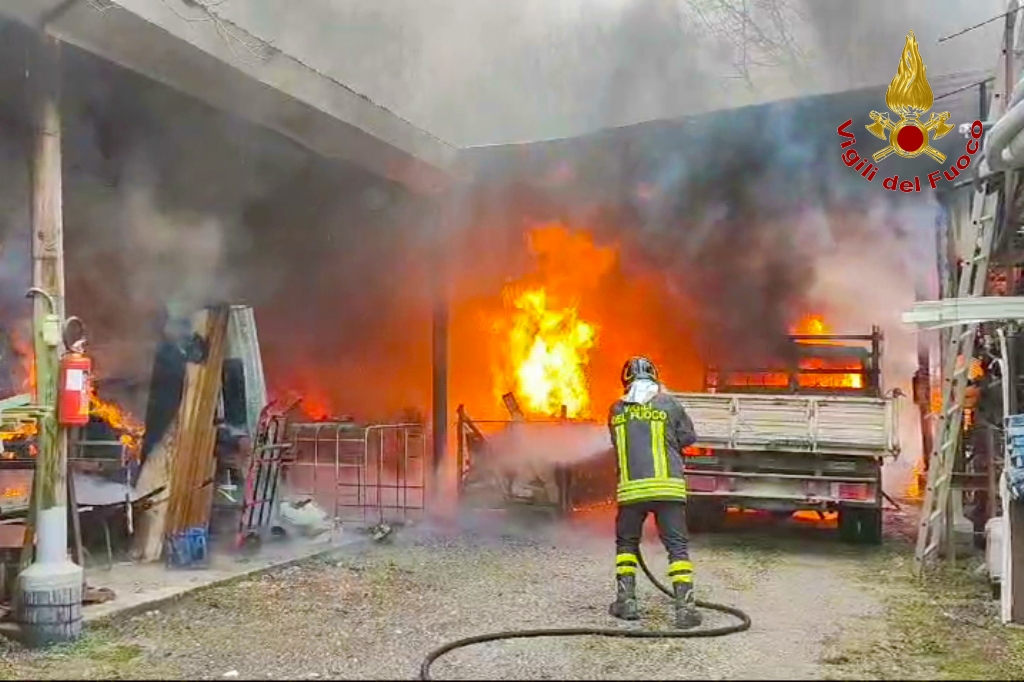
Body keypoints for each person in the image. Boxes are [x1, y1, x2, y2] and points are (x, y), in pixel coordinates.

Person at [607, 355, 701, 629]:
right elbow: (689, 437)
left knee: (626, 546)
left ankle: (627, 602)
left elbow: (617, 441)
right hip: (668, 489)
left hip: (632, 491)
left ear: (626, 380)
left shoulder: (616, 409)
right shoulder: (668, 404)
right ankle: (685, 609)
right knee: (677, 548)